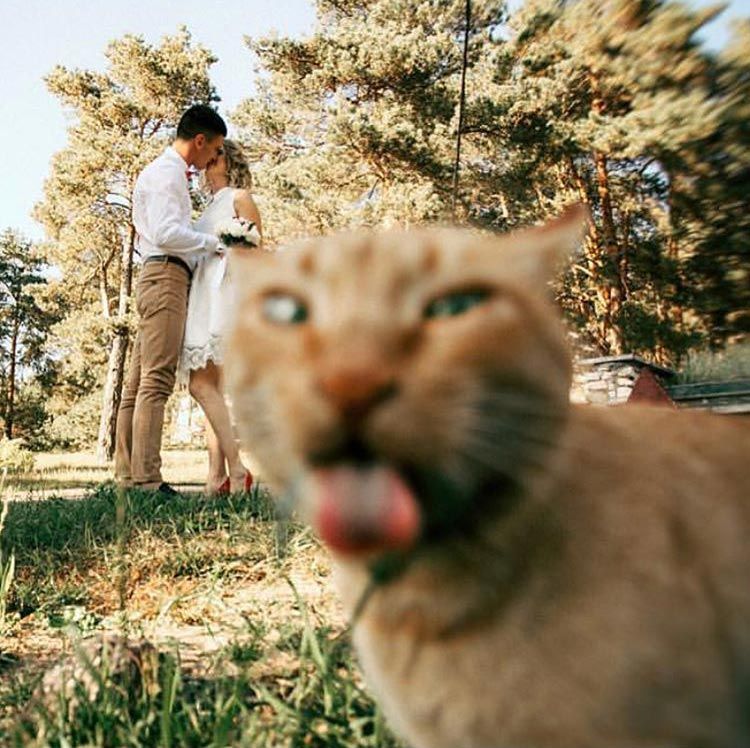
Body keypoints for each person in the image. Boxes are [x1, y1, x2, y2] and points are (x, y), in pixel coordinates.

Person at [115, 104, 227, 496]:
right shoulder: (167, 175)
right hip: (165, 275)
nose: (214, 158)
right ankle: (147, 481)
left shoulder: (166, 173)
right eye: (214, 150)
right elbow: (165, 232)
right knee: (156, 380)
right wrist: (213, 243)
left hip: (157, 274)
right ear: (200, 140)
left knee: (137, 383)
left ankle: (127, 476)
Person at [178, 139, 262, 495]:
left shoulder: (239, 197)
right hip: (201, 294)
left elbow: (256, 251)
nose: (212, 158)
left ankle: (238, 470)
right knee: (209, 388)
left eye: (220, 153)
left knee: (201, 386)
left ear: (230, 162)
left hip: (224, 294)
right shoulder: (207, 207)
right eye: (211, 153)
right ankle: (216, 477)